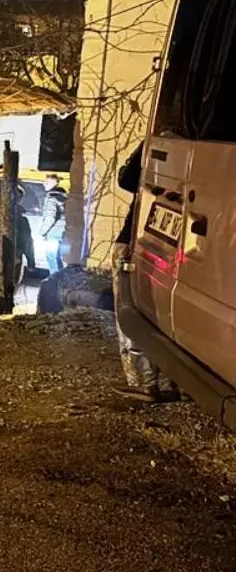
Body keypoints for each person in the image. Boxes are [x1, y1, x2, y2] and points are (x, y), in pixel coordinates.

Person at [111, 142, 179, 403]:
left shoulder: (158, 144)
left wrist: (146, 143)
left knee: (130, 308)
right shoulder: (203, 148)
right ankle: (173, 382)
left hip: (137, 239)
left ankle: (144, 382)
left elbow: (127, 179)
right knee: (166, 313)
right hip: (176, 249)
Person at [38, 174, 67, 272]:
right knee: (57, 258)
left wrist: (41, 233)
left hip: (53, 233)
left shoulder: (51, 198)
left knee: (52, 258)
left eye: (47, 182)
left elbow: (50, 218)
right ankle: (60, 281)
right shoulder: (63, 197)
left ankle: (55, 282)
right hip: (61, 232)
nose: (44, 184)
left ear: (53, 183)